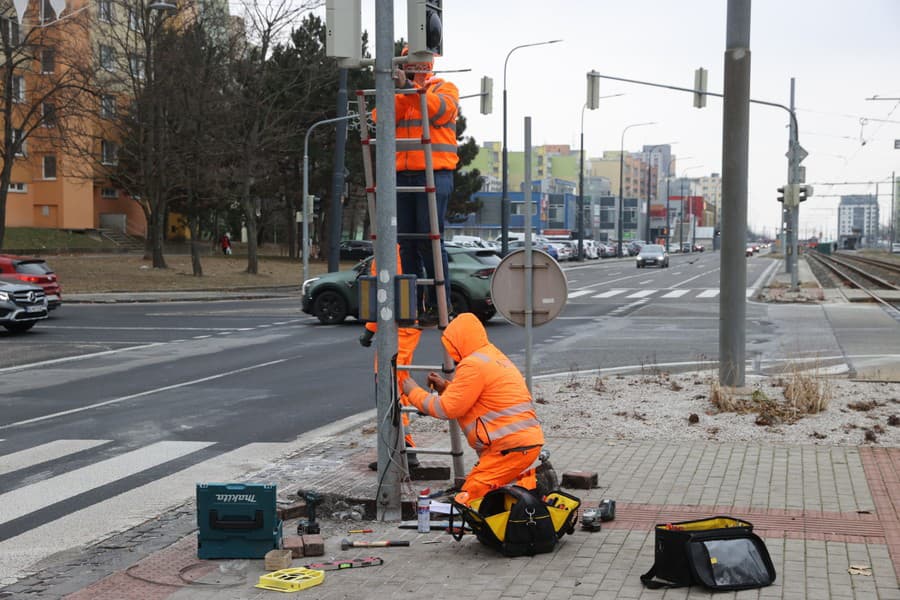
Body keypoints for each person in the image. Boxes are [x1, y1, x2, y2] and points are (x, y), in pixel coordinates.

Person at [401, 313, 545, 505]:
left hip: (509, 448)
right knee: (499, 494)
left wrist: (412, 391)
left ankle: (528, 504)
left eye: (451, 344)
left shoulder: (472, 365)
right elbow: (473, 398)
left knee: (470, 496)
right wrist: (446, 387)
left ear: (459, 341)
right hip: (518, 445)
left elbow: (446, 409)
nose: (451, 351)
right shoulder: (491, 356)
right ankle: (530, 501)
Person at [391, 47, 459, 325]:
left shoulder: (445, 88)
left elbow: (440, 110)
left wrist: (409, 89)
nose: (414, 66)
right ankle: (411, 305)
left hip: (434, 173)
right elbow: (379, 118)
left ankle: (438, 304)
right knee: (406, 244)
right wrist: (401, 91)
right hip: (402, 174)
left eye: (417, 62)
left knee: (430, 241)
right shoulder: (397, 91)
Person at [359, 246, 422, 469]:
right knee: (392, 385)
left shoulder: (389, 252)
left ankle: (404, 449)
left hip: (399, 327)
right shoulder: (399, 248)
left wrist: (369, 329)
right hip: (402, 325)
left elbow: (384, 296)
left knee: (389, 387)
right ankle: (402, 448)